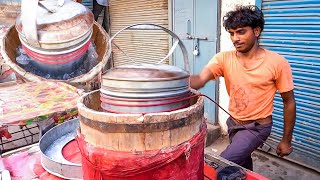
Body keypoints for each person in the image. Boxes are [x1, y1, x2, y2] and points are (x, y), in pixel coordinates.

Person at [190, 5, 296, 170]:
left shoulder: (277, 63)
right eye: (231, 33)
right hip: (233, 123)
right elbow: (199, 80)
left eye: (241, 32)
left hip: (257, 128)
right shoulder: (223, 58)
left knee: (218, 165)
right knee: (242, 164)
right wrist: (171, 79)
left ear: (256, 31)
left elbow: (289, 103)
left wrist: (286, 140)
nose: (235, 39)